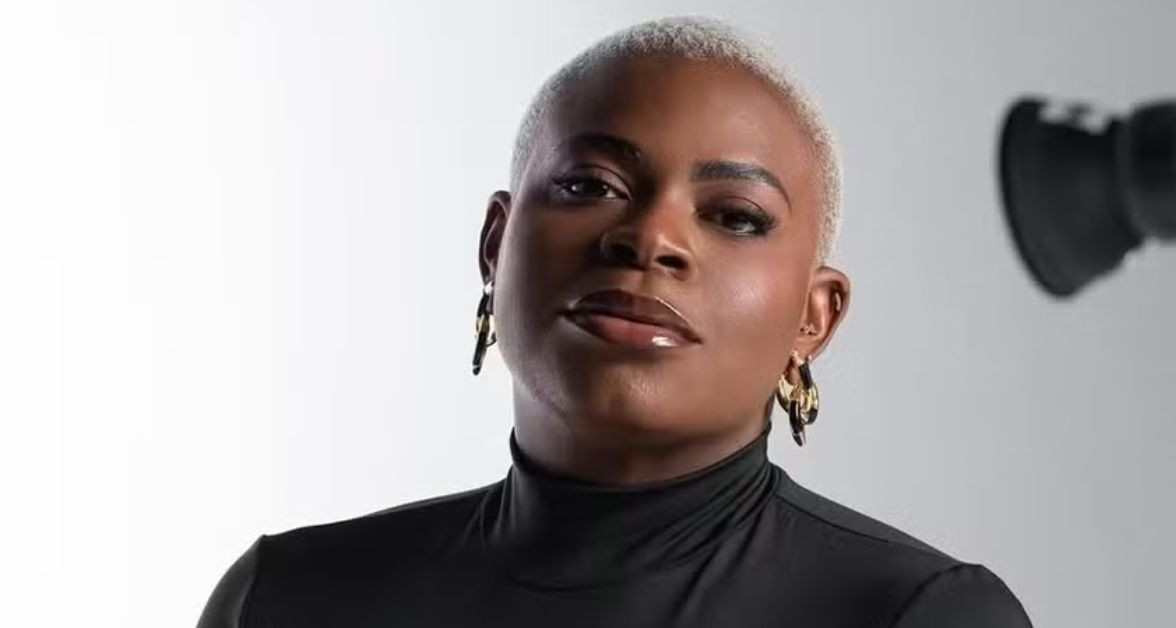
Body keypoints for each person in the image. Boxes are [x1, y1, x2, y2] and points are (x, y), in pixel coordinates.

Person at [198, 15, 1034, 628]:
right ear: (495, 245)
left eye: (735, 216)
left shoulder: (914, 616)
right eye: (590, 186)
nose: (650, 238)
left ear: (814, 319)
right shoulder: (286, 599)